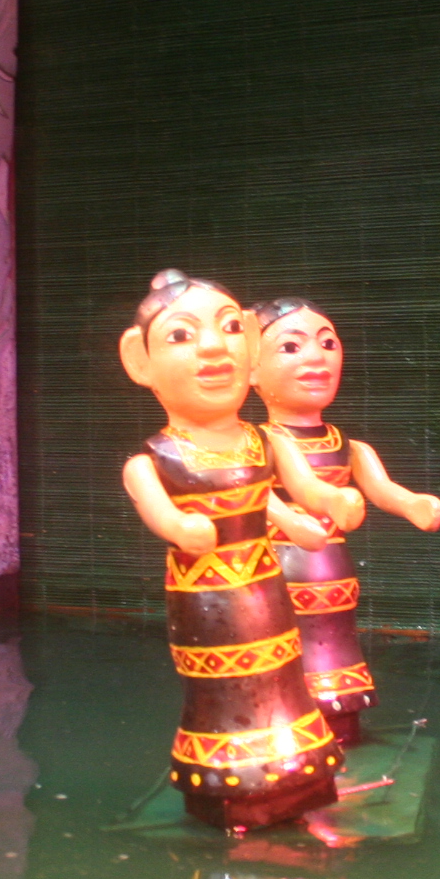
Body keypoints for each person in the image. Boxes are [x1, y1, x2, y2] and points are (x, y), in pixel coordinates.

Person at [119, 270, 360, 830]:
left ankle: (296, 780)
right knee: (225, 690)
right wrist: (182, 528)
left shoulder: (265, 441)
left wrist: (326, 508)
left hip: (267, 593)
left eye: (230, 328)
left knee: (284, 679)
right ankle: (234, 791)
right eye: (181, 336)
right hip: (208, 604)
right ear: (139, 360)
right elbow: (162, 514)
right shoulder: (152, 461)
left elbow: (300, 495)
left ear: (250, 349)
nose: (212, 348)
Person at [250, 295, 440, 744]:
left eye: (327, 343)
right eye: (291, 347)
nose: (317, 358)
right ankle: (279, 729)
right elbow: (254, 497)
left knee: (332, 644)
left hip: (332, 572)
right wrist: (310, 512)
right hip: (275, 569)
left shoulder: (350, 447)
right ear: (250, 370)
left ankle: (338, 727)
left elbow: (382, 489)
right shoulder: (257, 443)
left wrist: (415, 505)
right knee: (278, 647)